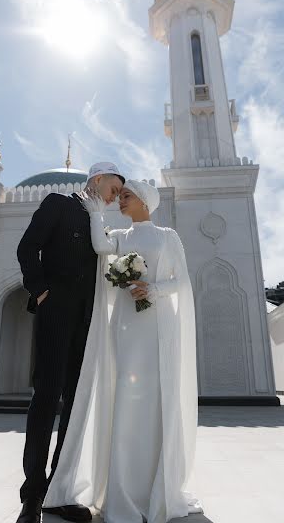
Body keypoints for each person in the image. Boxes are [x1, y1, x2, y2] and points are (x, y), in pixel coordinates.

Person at [43, 180, 203, 523]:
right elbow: (101, 246)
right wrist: (96, 214)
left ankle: (155, 488)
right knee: (126, 399)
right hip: (126, 329)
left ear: (145, 201)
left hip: (159, 328)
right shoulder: (121, 236)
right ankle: (122, 489)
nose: (121, 200)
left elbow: (182, 282)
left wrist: (154, 288)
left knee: (156, 400)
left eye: (126, 196)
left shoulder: (167, 236)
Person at [15, 162, 125, 523]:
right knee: (46, 398)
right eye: (113, 187)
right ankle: (32, 496)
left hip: (87, 325)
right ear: (97, 180)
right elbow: (28, 248)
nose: (115, 196)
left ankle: (59, 493)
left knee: (76, 406)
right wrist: (42, 291)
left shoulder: (99, 223)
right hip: (55, 315)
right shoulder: (58, 205)